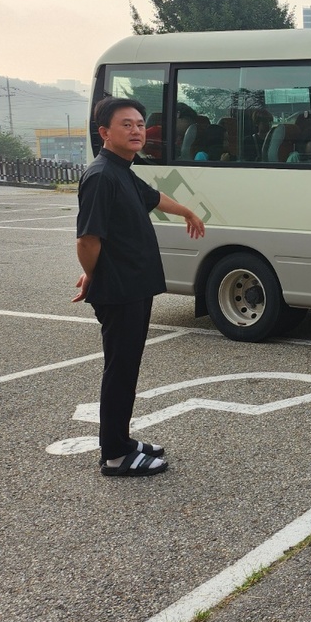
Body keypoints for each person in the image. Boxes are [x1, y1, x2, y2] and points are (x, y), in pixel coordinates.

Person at [74, 96, 206, 477]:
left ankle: (122, 440)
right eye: (126, 124)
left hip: (133, 286)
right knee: (120, 372)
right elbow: (88, 239)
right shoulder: (101, 176)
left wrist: (187, 211)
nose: (136, 130)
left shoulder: (122, 169)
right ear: (104, 132)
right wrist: (93, 274)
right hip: (120, 291)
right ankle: (115, 454)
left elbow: (153, 197)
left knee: (127, 370)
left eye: (139, 124)